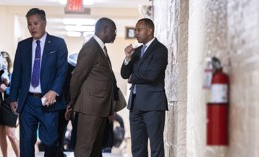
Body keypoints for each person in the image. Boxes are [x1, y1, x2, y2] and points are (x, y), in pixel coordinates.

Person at [9, 8, 68, 157]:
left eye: (35, 23)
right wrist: (13, 97)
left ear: (44, 23)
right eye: (29, 24)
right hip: (27, 101)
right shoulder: (23, 46)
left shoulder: (58, 43)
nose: (32, 27)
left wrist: (54, 91)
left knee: (50, 142)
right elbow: (17, 74)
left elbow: (62, 72)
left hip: (49, 102)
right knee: (26, 143)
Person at [65, 17, 117, 157]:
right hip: (89, 108)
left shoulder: (101, 48)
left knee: (95, 149)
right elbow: (77, 77)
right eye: (114, 30)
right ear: (104, 29)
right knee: (85, 149)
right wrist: (71, 102)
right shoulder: (90, 48)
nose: (115, 34)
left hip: (100, 108)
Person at [120, 18, 168, 157]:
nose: (136, 33)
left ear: (149, 30)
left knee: (156, 146)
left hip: (153, 105)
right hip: (135, 106)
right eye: (135, 30)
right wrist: (127, 58)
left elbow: (151, 75)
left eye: (139, 29)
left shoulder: (160, 50)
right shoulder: (136, 51)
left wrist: (133, 78)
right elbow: (124, 74)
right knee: (137, 147)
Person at [0, 51, 20, 157]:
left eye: (5, 60)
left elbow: (18, 89)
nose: (4, 62)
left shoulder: (13, 74)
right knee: (1, 134)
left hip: (10, 103)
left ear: (8, 61)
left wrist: (6, 89)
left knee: (11, 134)